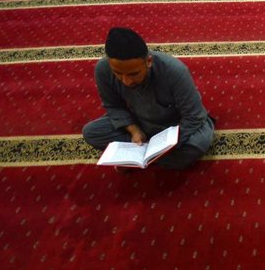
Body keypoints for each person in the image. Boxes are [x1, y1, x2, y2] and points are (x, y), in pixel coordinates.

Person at [83, 27, 214, 170]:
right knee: (91, 133)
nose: (126, 81)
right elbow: (113, 106)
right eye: (118, 73)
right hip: (139, 122)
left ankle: (135, 157)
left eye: (133, 74)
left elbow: (194, 116)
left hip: (174, 127)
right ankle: (148, 157)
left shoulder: (174, 71)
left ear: (149, 61)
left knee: (198, 143)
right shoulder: (103, 70)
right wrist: (134, 130)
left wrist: (167, 145)